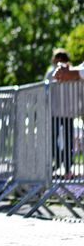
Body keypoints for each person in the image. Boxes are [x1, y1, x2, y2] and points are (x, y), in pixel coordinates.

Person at [49, 48, 76, 178]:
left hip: (59, 112)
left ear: (58, 58)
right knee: (63, 140)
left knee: (60, 140)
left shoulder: (52, 72)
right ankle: (64, 165)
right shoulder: (72, 72)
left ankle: (64, 165)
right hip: (63, 112)